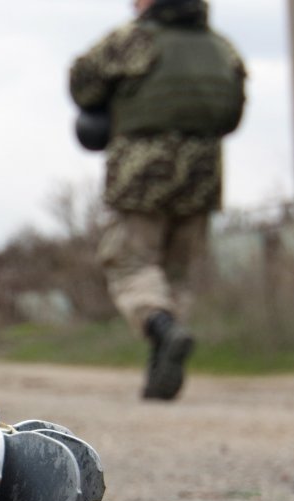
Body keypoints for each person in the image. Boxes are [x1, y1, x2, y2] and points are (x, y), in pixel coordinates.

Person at [69, 0, 246, 400]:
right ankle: (160, 367)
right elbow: (232, 114)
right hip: (203, 174)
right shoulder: (221, 48)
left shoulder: (131, 41)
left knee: (130, 263)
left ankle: (162, 330)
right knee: (176, 273)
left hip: (142, 172)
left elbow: (82, 84)